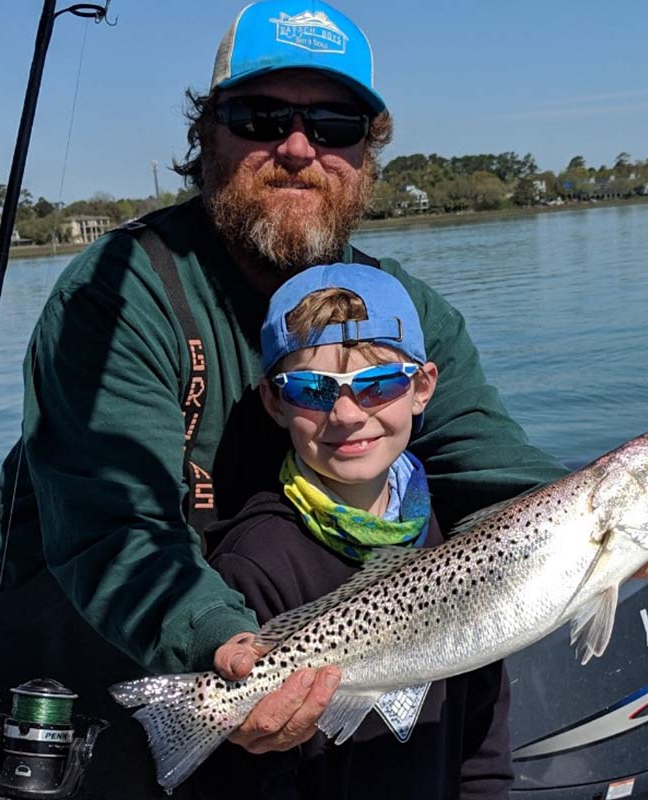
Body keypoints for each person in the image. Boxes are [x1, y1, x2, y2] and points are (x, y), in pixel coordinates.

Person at [0, 1, 648, 798]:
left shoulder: (406, 311)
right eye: (261, 116)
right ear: (207, 135)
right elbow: (116, 527)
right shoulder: (117, 297)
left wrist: (607, 524)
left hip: (281, 670)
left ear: (367, 154)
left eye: (334, 125)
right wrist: (219, 647)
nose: (298, 149)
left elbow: (492, 468)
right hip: (73, 658)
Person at [194, 262, 511, 798]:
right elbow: (246, 778)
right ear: (274, 401)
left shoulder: (457, 532)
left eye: (378, 384)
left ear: (423, 387)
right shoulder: (254, 563)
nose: (346, 414)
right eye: (313, 390)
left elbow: (484, 735)